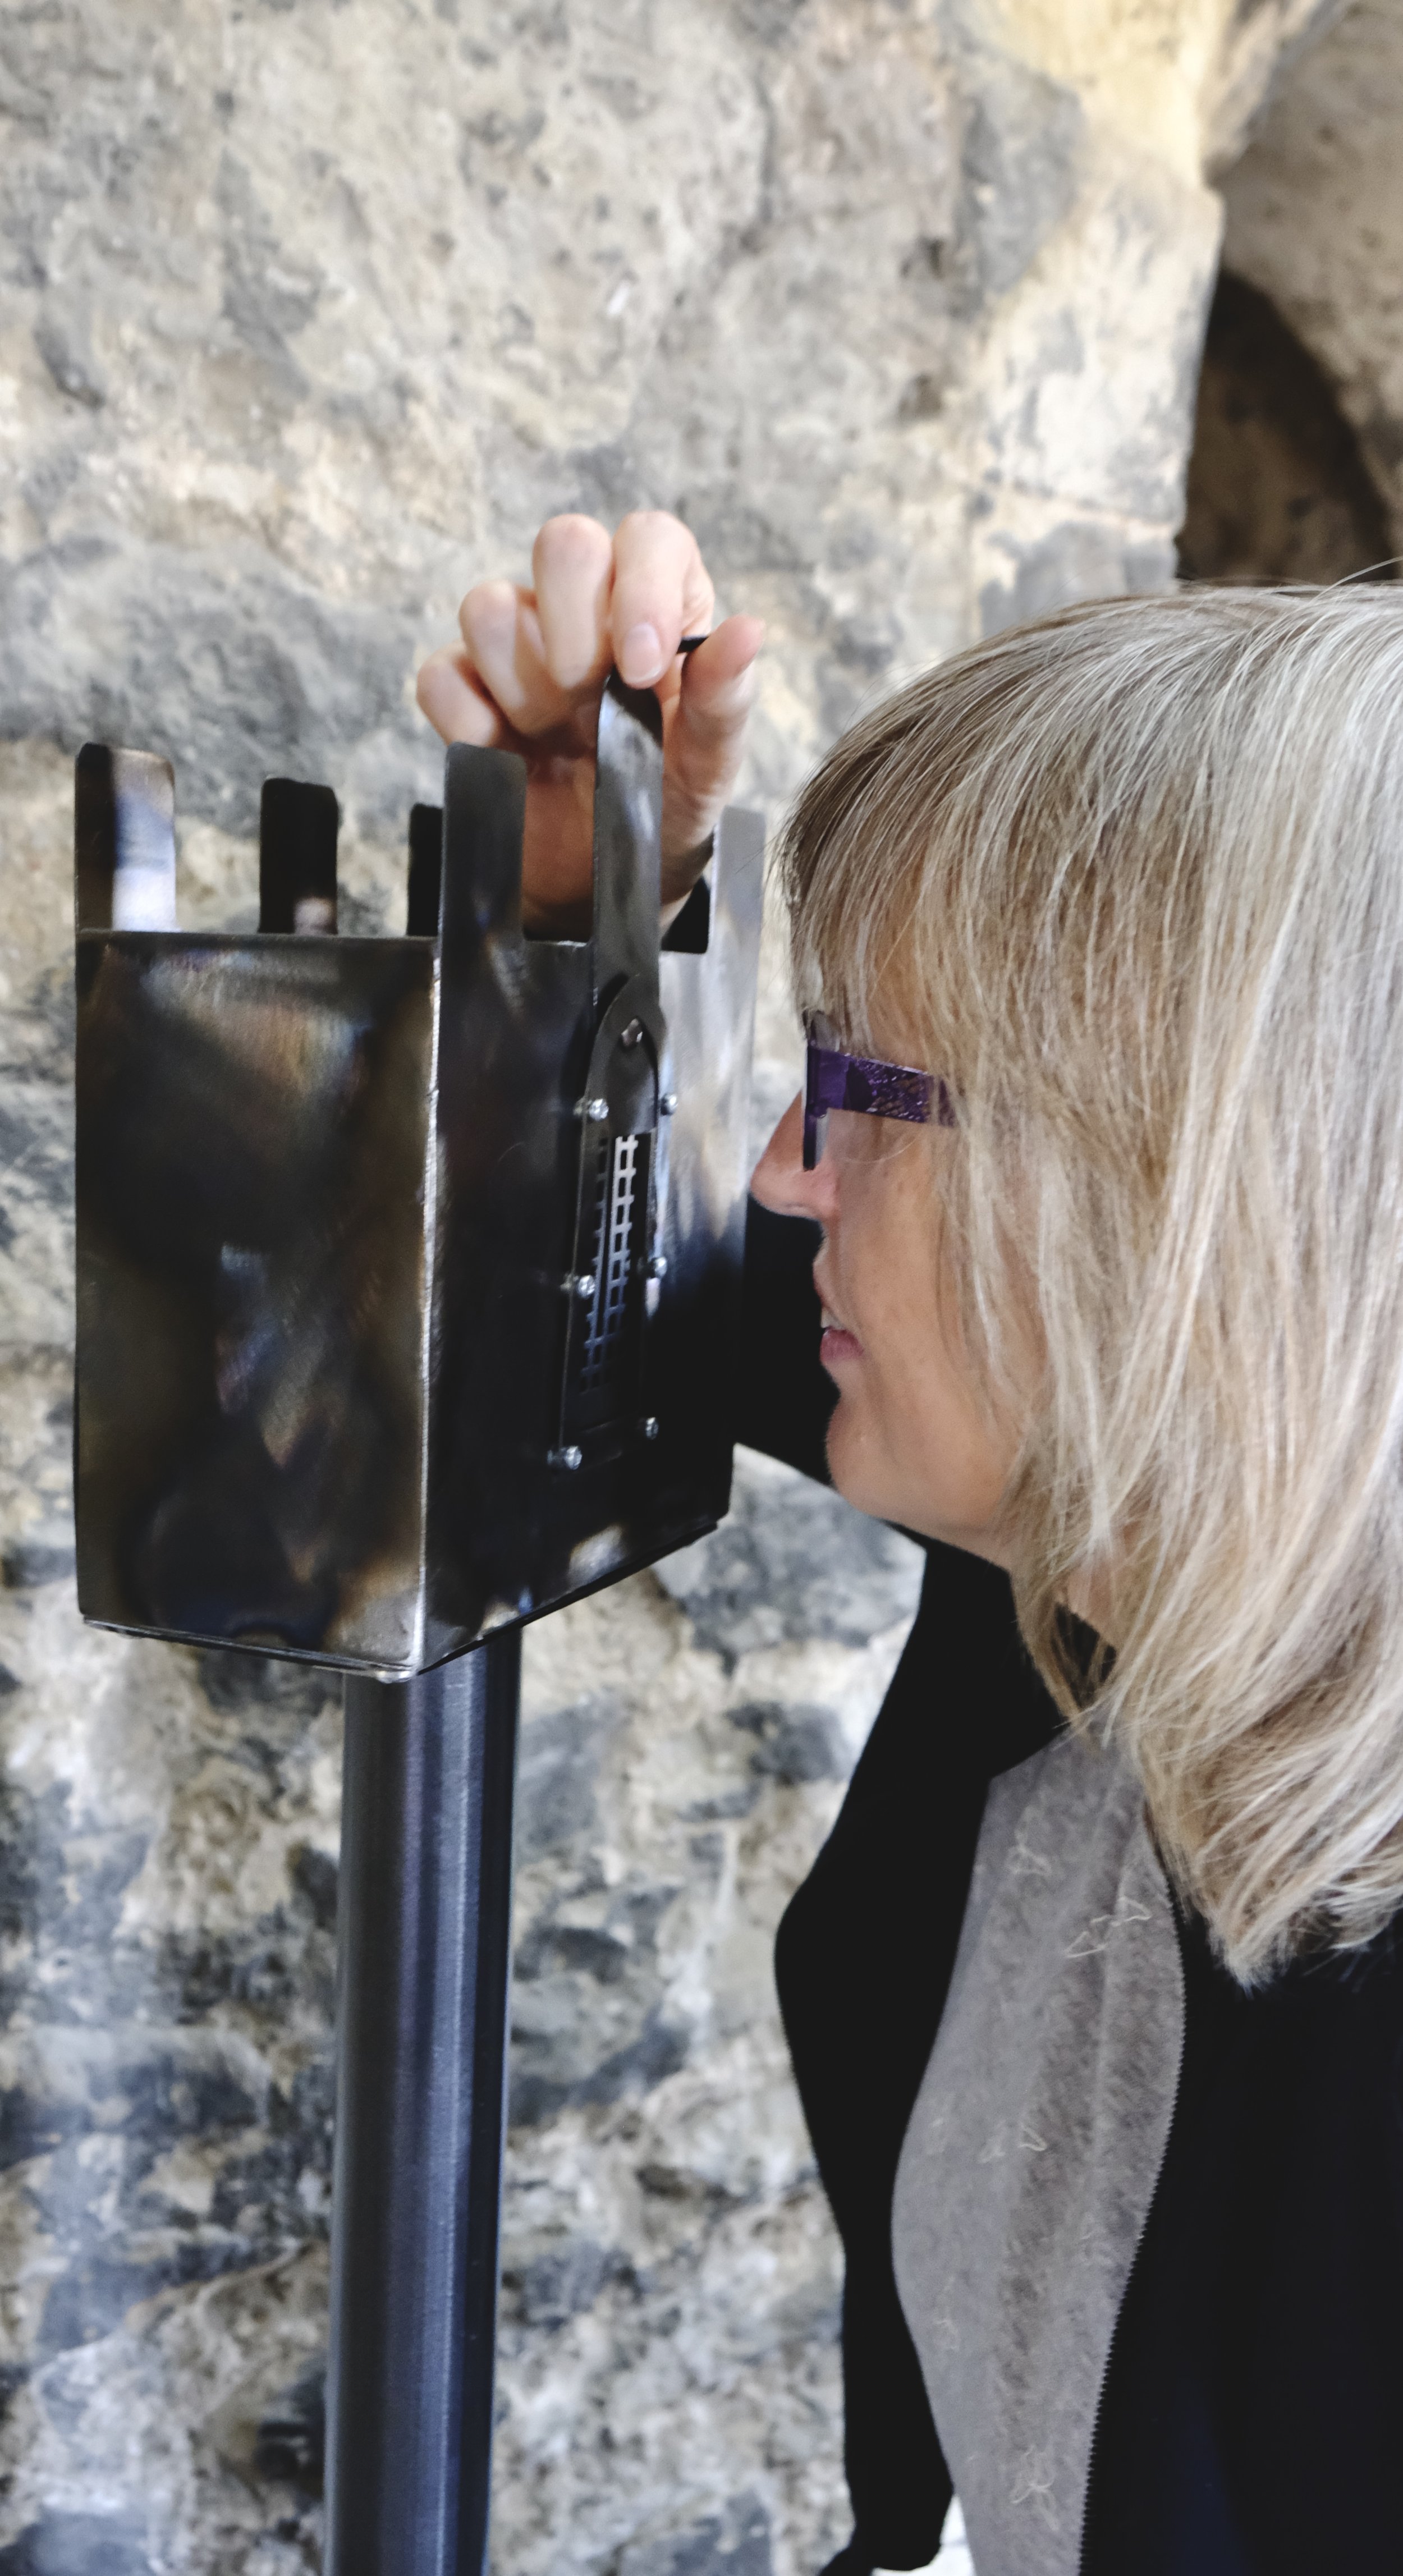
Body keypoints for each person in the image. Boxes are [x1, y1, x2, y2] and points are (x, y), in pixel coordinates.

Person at [419, 515, 1403, 2576]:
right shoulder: (1093, 1555)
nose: (781, 1178)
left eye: (858, 1082)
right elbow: (605, 1285)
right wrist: (586, 893)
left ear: (1182, 1190)